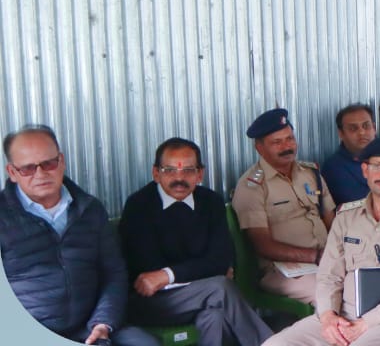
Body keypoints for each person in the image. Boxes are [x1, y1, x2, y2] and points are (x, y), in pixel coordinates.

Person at [263, 135, 380, 346]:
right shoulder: (346, 216)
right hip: (342, 317)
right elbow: (329, 275)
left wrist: (366, 323)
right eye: (378, 166)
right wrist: (328, 316)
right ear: (365, 171)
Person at [0, 125, 157, 346]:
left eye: (49, 163)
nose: (41, 174)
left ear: (61, 161)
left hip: (91, 326)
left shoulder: (90, 209)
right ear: (12, 173)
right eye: (27, 168)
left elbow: (113, 273)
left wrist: (103, 323)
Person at [119, 137, 272, 346]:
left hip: (207, 298)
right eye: (169, 170)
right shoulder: (139, 206)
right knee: (220, 287)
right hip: (151, 303)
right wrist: (206, 273)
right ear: (156, 173)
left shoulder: (211, 202)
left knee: (214, 315)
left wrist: (167, 275)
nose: (179, 178)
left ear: (200, 173)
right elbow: (147, 271)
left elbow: (220, 259)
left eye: (188, 170)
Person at [231, 108, 334, 306]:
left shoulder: (311, 174)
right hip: (283, 270)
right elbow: (263, 245)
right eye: (277, 142)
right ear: (259, 148)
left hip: (326, 261)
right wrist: (315, 256)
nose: (287, 147)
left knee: (364, 284)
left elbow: (332, 221)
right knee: (328, 294)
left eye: (290, 139)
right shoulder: (251, 187)